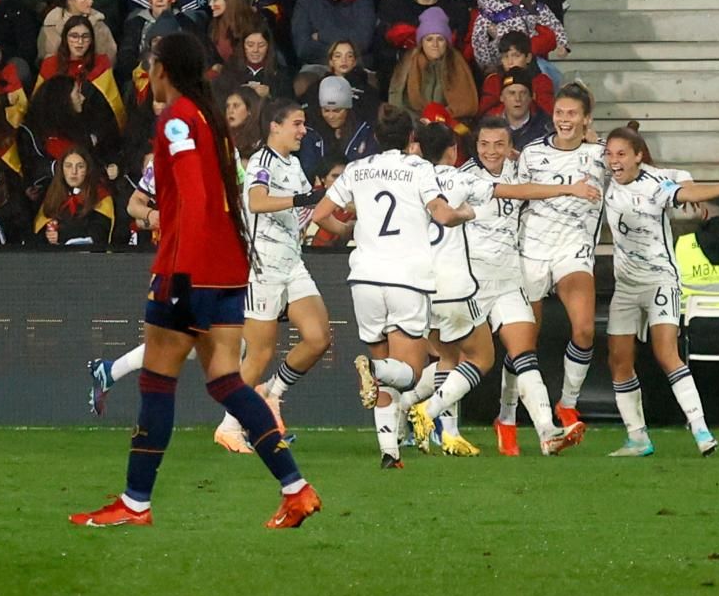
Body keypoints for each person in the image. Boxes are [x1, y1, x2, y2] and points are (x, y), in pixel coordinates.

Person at [70, 32, 320, 528]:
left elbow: (197, 197)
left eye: (151, 65)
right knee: (227, 382)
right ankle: (296, 488)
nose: (147, 73)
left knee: (156, 382)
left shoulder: (178, 120)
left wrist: (182, 272)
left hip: (191, 268)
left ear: (163, 70)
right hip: (227, 270)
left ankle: (135, 502)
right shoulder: (209, 120)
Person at [408, 120, 596, 457]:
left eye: (498, 144)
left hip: (509, 278)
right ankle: (413, 410)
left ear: (509, 146)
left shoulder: (519, 168)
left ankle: (546, 431)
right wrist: (569, 189)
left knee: (524, 353)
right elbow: (518, 194)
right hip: (471, 281)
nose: (491, 151)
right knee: (462, 360)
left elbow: (533, 182)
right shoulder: (463, 175)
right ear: (473, 146)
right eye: (484, 144)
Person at [306, 104, 472, 468]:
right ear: (411, 138)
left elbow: (318, 215)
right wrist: (466, 213)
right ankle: (373, 369)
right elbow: (443, 214)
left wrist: (346, 230)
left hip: (364, 277)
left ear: (376, 138)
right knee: (408, 373)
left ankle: (389, 453)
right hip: (406, 279)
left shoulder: (358, 169)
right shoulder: (419, 168)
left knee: (384, 362)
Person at [600, 127, 719, 457]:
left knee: (666, 353)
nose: (613, 160)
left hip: (660, 281)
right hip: (626, 285)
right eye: (610, 154)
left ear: (639, 156)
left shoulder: (655, 185)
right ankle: (638, 437)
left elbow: (681, 192)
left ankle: (700, 430)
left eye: (621, 154)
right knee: (618, 359)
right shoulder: (608, 175)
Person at [206, 99, 332, 450]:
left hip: (292, 263)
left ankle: (272, 392)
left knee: (319, 336)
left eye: (303, 124)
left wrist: (350, 222)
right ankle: (229, 426)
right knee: (259, 354)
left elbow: (311, 211)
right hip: (262, 268)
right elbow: (257, 201)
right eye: (297, 123)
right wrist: (299, 198)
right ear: (275, 126)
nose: (303, 130)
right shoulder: (262, 161)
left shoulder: (293, 164)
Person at [514, 82, 609, 430]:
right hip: (532, 251)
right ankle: (507, 416)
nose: (564, 120)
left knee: (584, 329)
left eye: (572, 113)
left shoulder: (601, 154)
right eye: (559, 113)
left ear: (586, 118)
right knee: (524, 340)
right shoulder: (532, 153)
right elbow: (518, 195)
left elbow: (635, 173)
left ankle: (567, 403)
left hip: (574, 251)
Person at [376, 0, 468, 80]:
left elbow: (459, 51)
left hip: (444, 76)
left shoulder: (456, 9)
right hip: (400, 75)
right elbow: (381, 49)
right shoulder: (392, 4)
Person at [20, 74, 122, 192]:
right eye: (77, 93)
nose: (83, 98)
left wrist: (112, 166)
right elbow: (35, 170)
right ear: (63, 100)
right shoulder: (35, 133)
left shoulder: (84, 122)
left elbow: (106, 153)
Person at [469, 0, 567, 74]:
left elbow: (552, 22)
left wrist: (562, 43)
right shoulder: (490, 10)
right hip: (503, 64)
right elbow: (478, 39)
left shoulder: (531, 5)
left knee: (551, 74)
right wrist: (487, 65)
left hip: (529, 60)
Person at [37, 15, 126, 131]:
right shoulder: (50, 64)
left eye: (85, 36)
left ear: (92, 40)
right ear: (65, 38)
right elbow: (39, 105)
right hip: (56, 127)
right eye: (74, 36)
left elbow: (111, 107)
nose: (80, 42)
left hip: (92, 126)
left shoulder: (101, 63)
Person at [388, 7, 477, 119]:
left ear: (447, 42)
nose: (435, 44)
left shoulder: (457, 63)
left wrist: (440, 119)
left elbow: (466, 106)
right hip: (413, 125)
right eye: (429, 39)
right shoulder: (408, 63)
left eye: (440, 39)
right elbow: (396, 101)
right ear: (421, 43)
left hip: (448, 126)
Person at [297, 75, 377, 176]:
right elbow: (307, 167)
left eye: (337, 111)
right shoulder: (311, 132)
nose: (331, 116)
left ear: (348, 109)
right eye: (326, 110)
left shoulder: (364, 131)